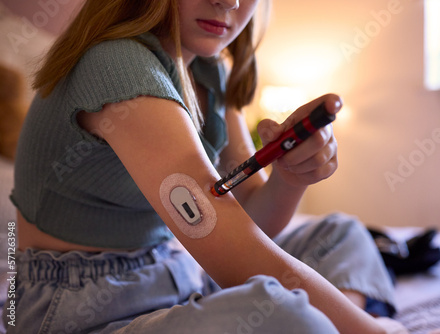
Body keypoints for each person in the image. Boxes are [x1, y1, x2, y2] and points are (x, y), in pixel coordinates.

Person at [4, 0, 404, 333]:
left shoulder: (210, 72)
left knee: (341, 234)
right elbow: (239, 256)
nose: (228, 1)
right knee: (285, 317)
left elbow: (250, 218)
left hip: (174, 273)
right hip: (79, 310)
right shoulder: (117, 65)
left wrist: (288, 178)